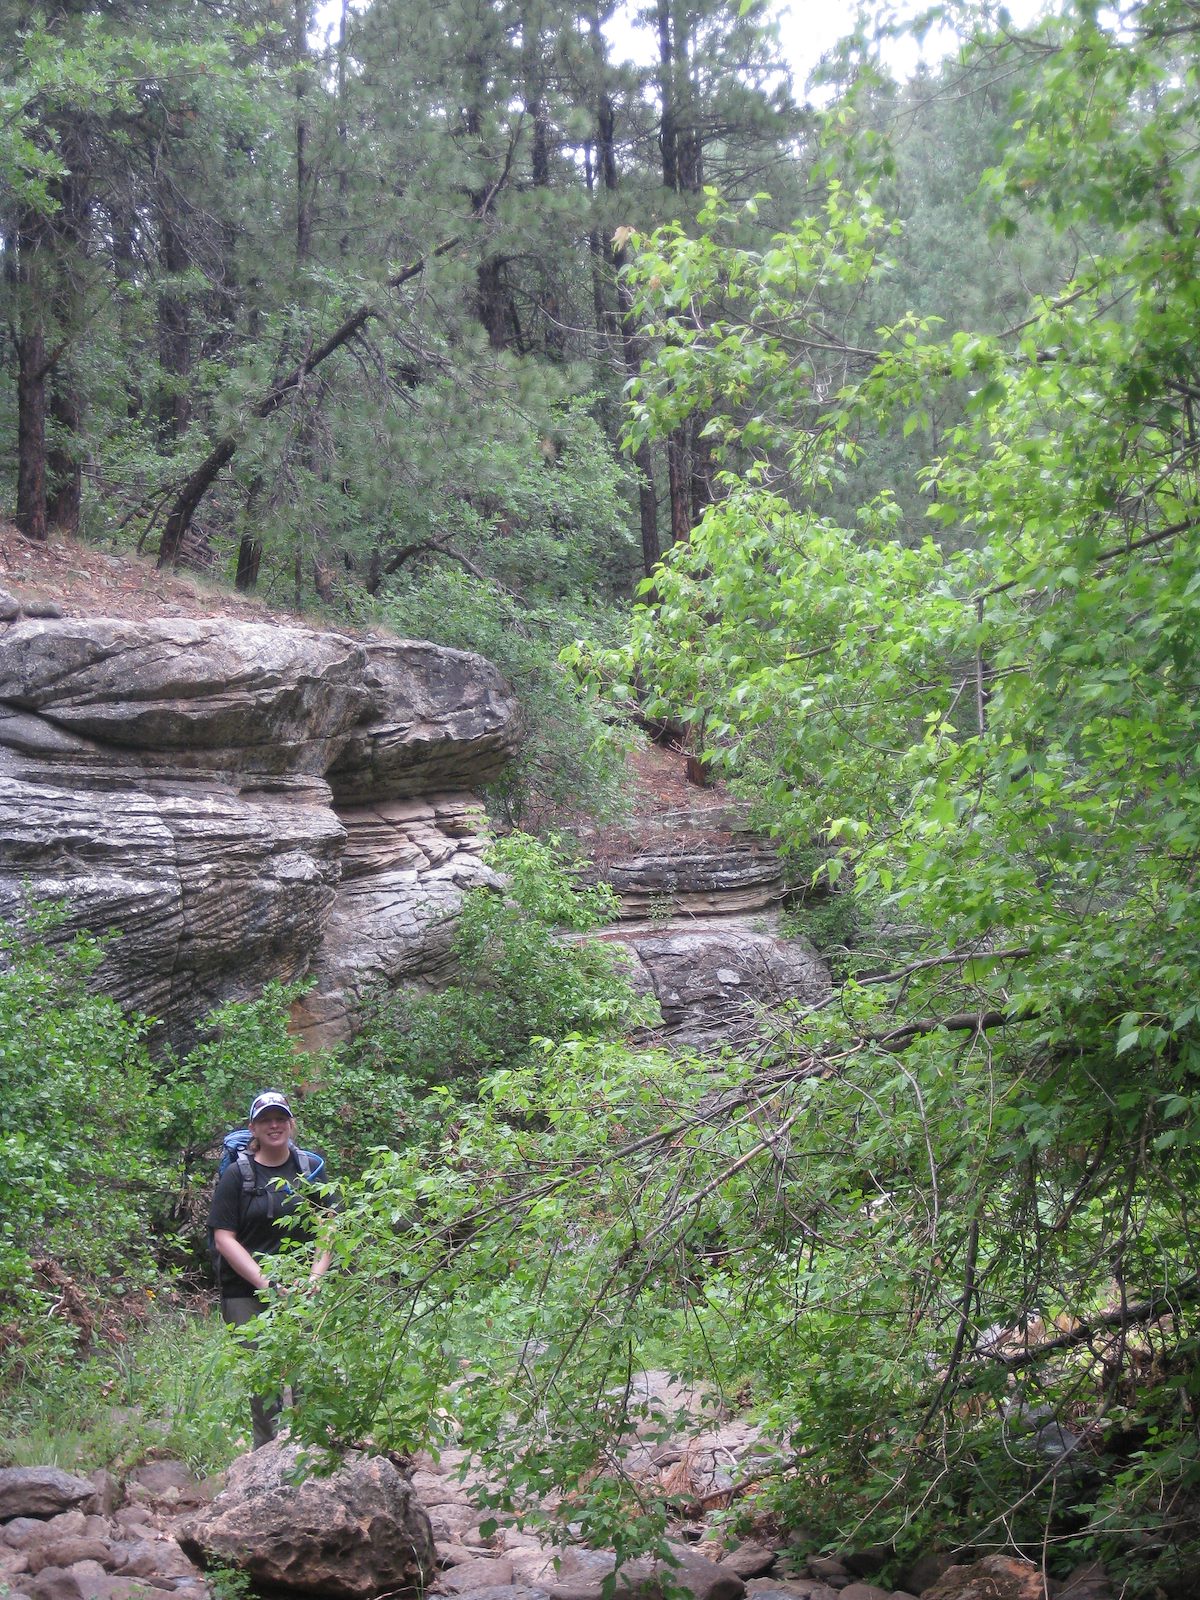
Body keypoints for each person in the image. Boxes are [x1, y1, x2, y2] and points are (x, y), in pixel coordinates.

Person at [210, 1089, 332, 1448]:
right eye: (266, 1120)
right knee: (263, 1385)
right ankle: (264, 1461)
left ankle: (318, 1458)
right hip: (245, 1293)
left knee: (308, 1376)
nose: (274, 1125)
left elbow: (329, 1225)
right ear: (253, 1128)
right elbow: (224, 1238)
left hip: (302, 1290)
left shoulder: (310, 1169)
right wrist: (267, 1284)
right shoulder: (237, 1175)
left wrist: (314, 1280)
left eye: (280, 1118)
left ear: (291, 1124)